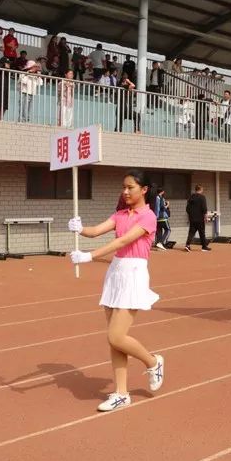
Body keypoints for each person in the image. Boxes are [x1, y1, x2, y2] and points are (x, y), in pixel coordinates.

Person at [67, 168, 164, 412]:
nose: (125, 191)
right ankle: (121, 393)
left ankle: (153, 362)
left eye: (130, 187)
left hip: (134, 273)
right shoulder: (120, 214)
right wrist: (80, 228)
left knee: (116, 336)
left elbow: (122, 241)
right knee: (114, 341)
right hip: (116, 273)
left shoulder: (148, 216)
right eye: (123, 187)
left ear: (143, 190)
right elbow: (97, 231)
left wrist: (89, 257)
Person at [184, 185, 211, 252]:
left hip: (192, 218)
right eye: (202, 189)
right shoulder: (202, 197)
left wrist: (189, 217)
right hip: (200, 218)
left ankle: (187, 245)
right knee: (202, 233)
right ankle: (204, 247)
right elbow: (204, 208)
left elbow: (187, 209)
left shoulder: (191, 197)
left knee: (191, 232)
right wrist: (206, 217)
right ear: (201, 189)